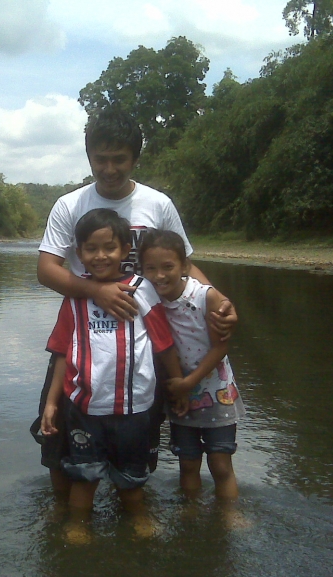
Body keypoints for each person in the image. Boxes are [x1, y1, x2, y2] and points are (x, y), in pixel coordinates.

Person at [34, 107, 237, 496]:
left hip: (147, 342)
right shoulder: (69, 205)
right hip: (84, 343)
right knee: (58, 437)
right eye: (100, 159)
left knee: (139, 436)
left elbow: (184, 264)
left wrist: (218, 300)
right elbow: (47, 269)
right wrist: (97, 291)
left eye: (119, 159)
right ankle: (63, 519)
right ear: (89, 156)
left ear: (135, 158)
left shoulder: (157, 204)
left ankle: (130, 507)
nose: (109, 168)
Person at [40, 208, 183, 543]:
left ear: (125, 251)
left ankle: (137, 518)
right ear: (79, 254)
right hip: (85, 409)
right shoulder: (76, 297)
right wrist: (51, 402)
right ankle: (78, 524)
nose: (100, 255)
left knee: (132, 479)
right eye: (91, 248)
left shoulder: (143, 290)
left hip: (135, 410)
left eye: (109, 247)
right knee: (83, 477)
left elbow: (163, 344)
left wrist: (179, 387)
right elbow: (62, 350)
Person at [138, 229, 245, 505]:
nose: (159, 275)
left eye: (168, 267)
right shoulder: (150, 299)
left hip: (215, 392)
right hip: (180, 395)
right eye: (150, 268)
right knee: (187, 463)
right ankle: (191, 515)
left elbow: (221, 347)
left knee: (220, 464)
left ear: (185, 266)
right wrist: (180, 386)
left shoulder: (204, 297)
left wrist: (190, 381)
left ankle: (230, 514)